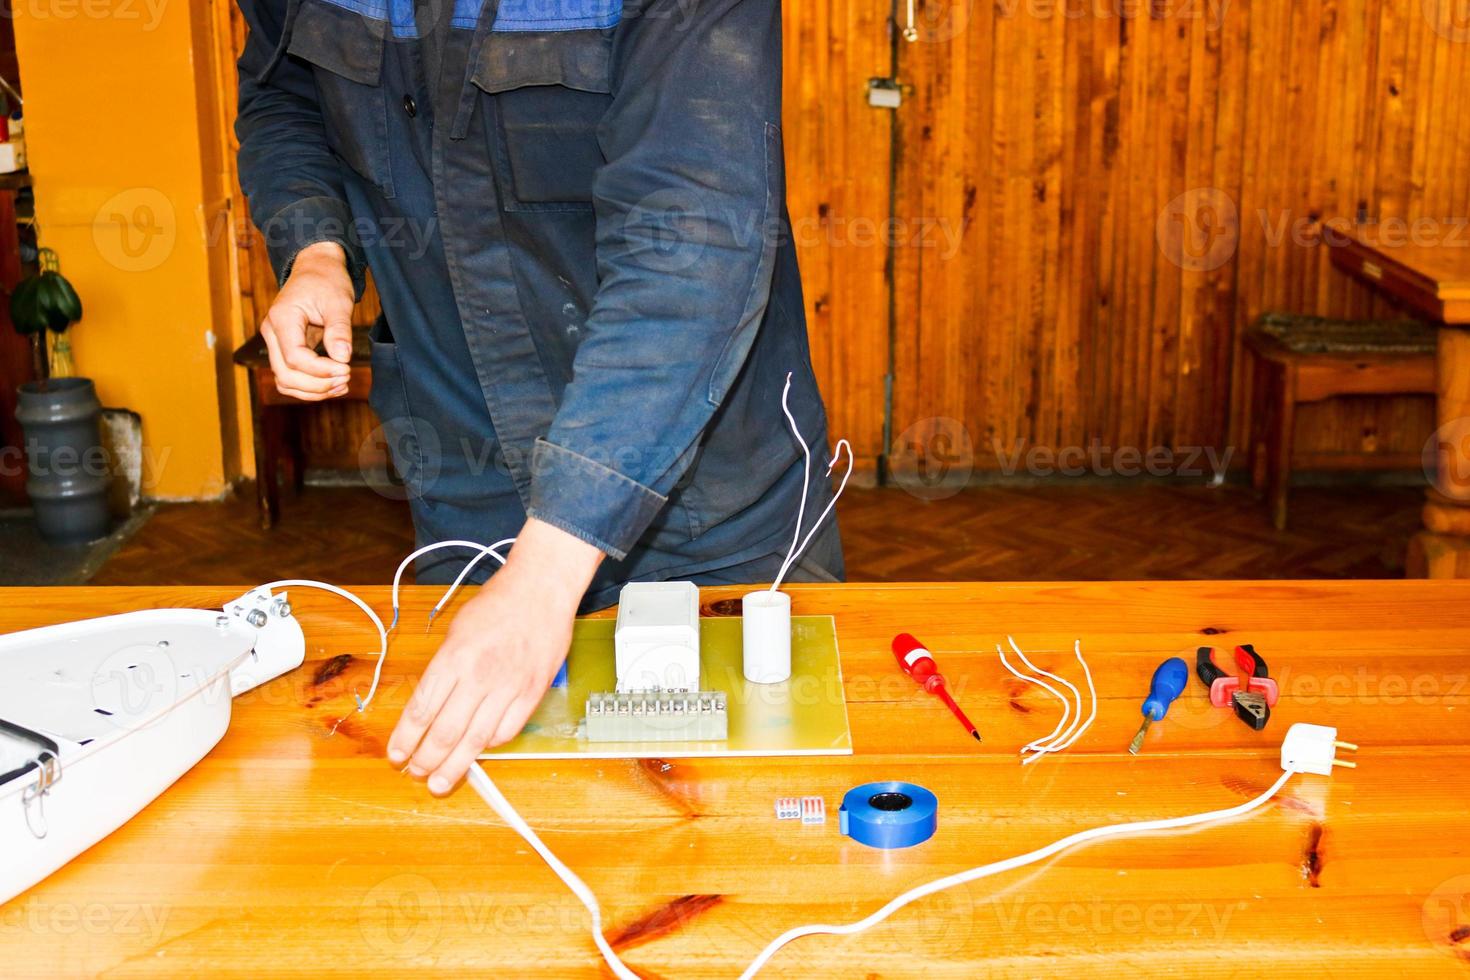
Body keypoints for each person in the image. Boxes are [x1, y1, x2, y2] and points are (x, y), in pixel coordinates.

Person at [234, 0, 842, 793]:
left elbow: (692, 239)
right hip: (468, 463)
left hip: (704, 484)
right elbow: (284, 93)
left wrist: (547, 572)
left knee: (751, 821)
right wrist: (316, 247)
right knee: (500, 834)